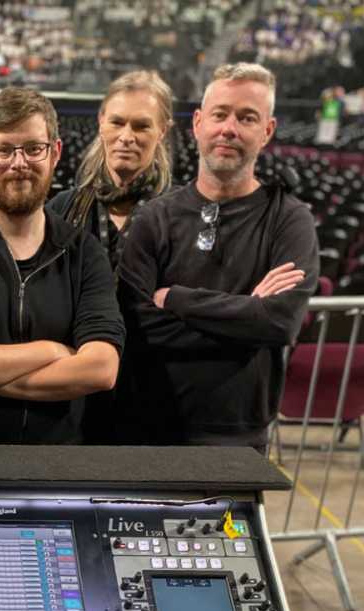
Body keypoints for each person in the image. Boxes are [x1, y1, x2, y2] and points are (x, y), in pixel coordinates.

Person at [116, 63, 319, 451]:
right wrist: (245, 316)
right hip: (146, 430)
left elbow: (277, 321)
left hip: (238, 439)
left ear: (267, 131)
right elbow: (137, 325)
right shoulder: (154, 218)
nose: (229, 128)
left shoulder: (290, 219)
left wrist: (174, 298)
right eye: (220, 114)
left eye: (247, 118)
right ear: (197, 122)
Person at [0, 87, 124, 445]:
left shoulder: (84, 253)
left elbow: (102, 367)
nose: (19, 163)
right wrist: (51, 352)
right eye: (4, 150)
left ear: (55, 153)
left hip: (58, 468)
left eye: (33, 149)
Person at [48, 70, 174, 272]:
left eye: (141, 126)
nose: (126, 137)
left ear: (162, 131)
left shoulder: (182, 215)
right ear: (101, 122)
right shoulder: (61, 210)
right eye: (117, 123)